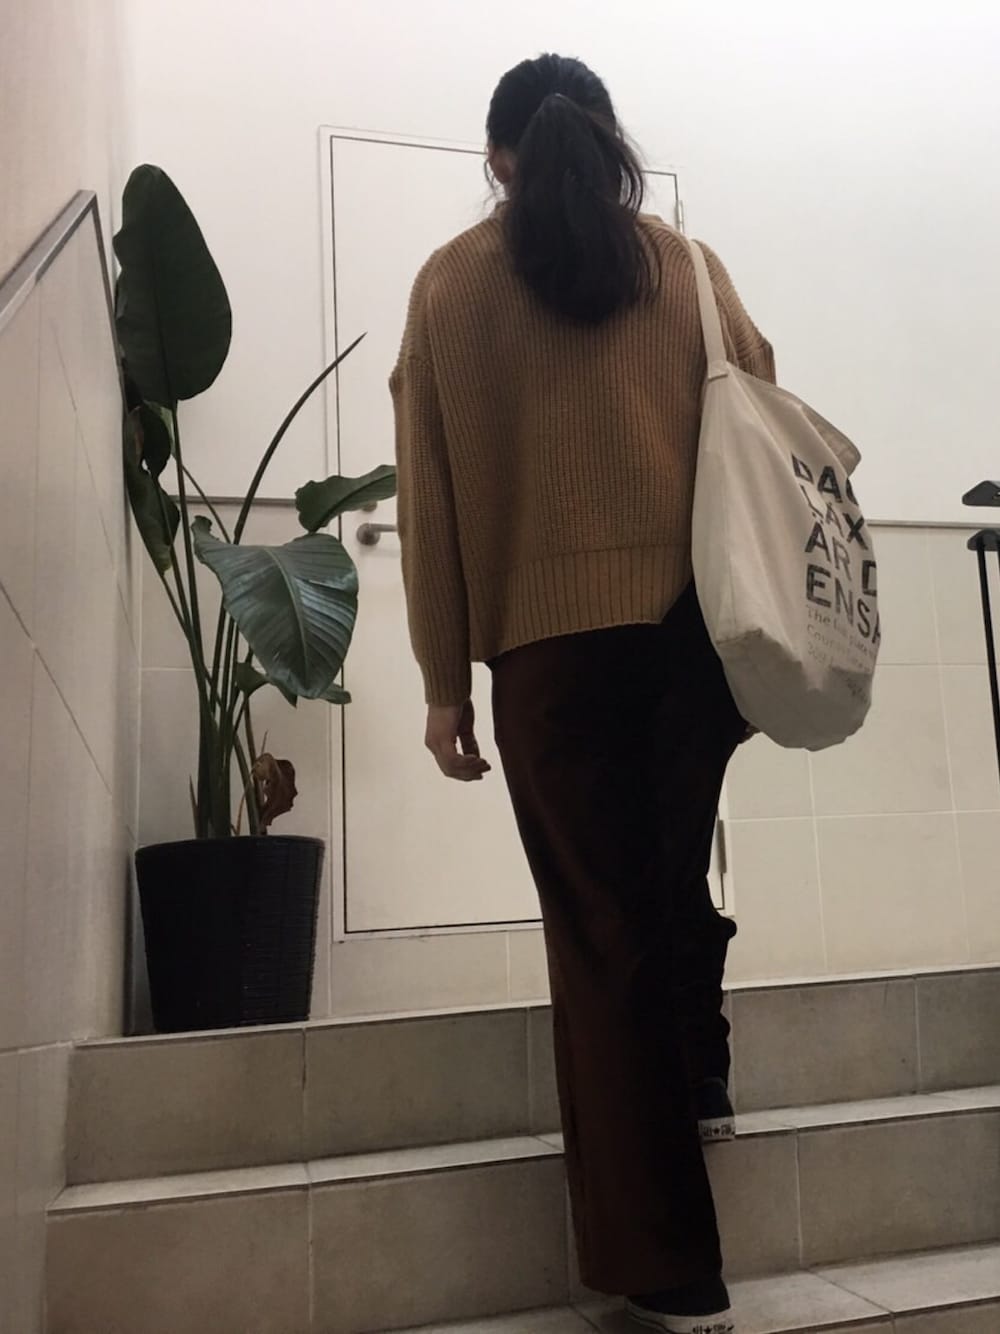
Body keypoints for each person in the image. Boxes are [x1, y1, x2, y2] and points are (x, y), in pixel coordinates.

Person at [391, 52, 773, 1334]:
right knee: (665, 876)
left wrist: (442, 679)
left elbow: (430, 491)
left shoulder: (450, 285)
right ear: (609, 142)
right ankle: (702, 1068)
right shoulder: (687, 269)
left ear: (497, 158)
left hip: (549, 659)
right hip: (690, 638)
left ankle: (672, 1266)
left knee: (604, 932)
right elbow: (762, 402)